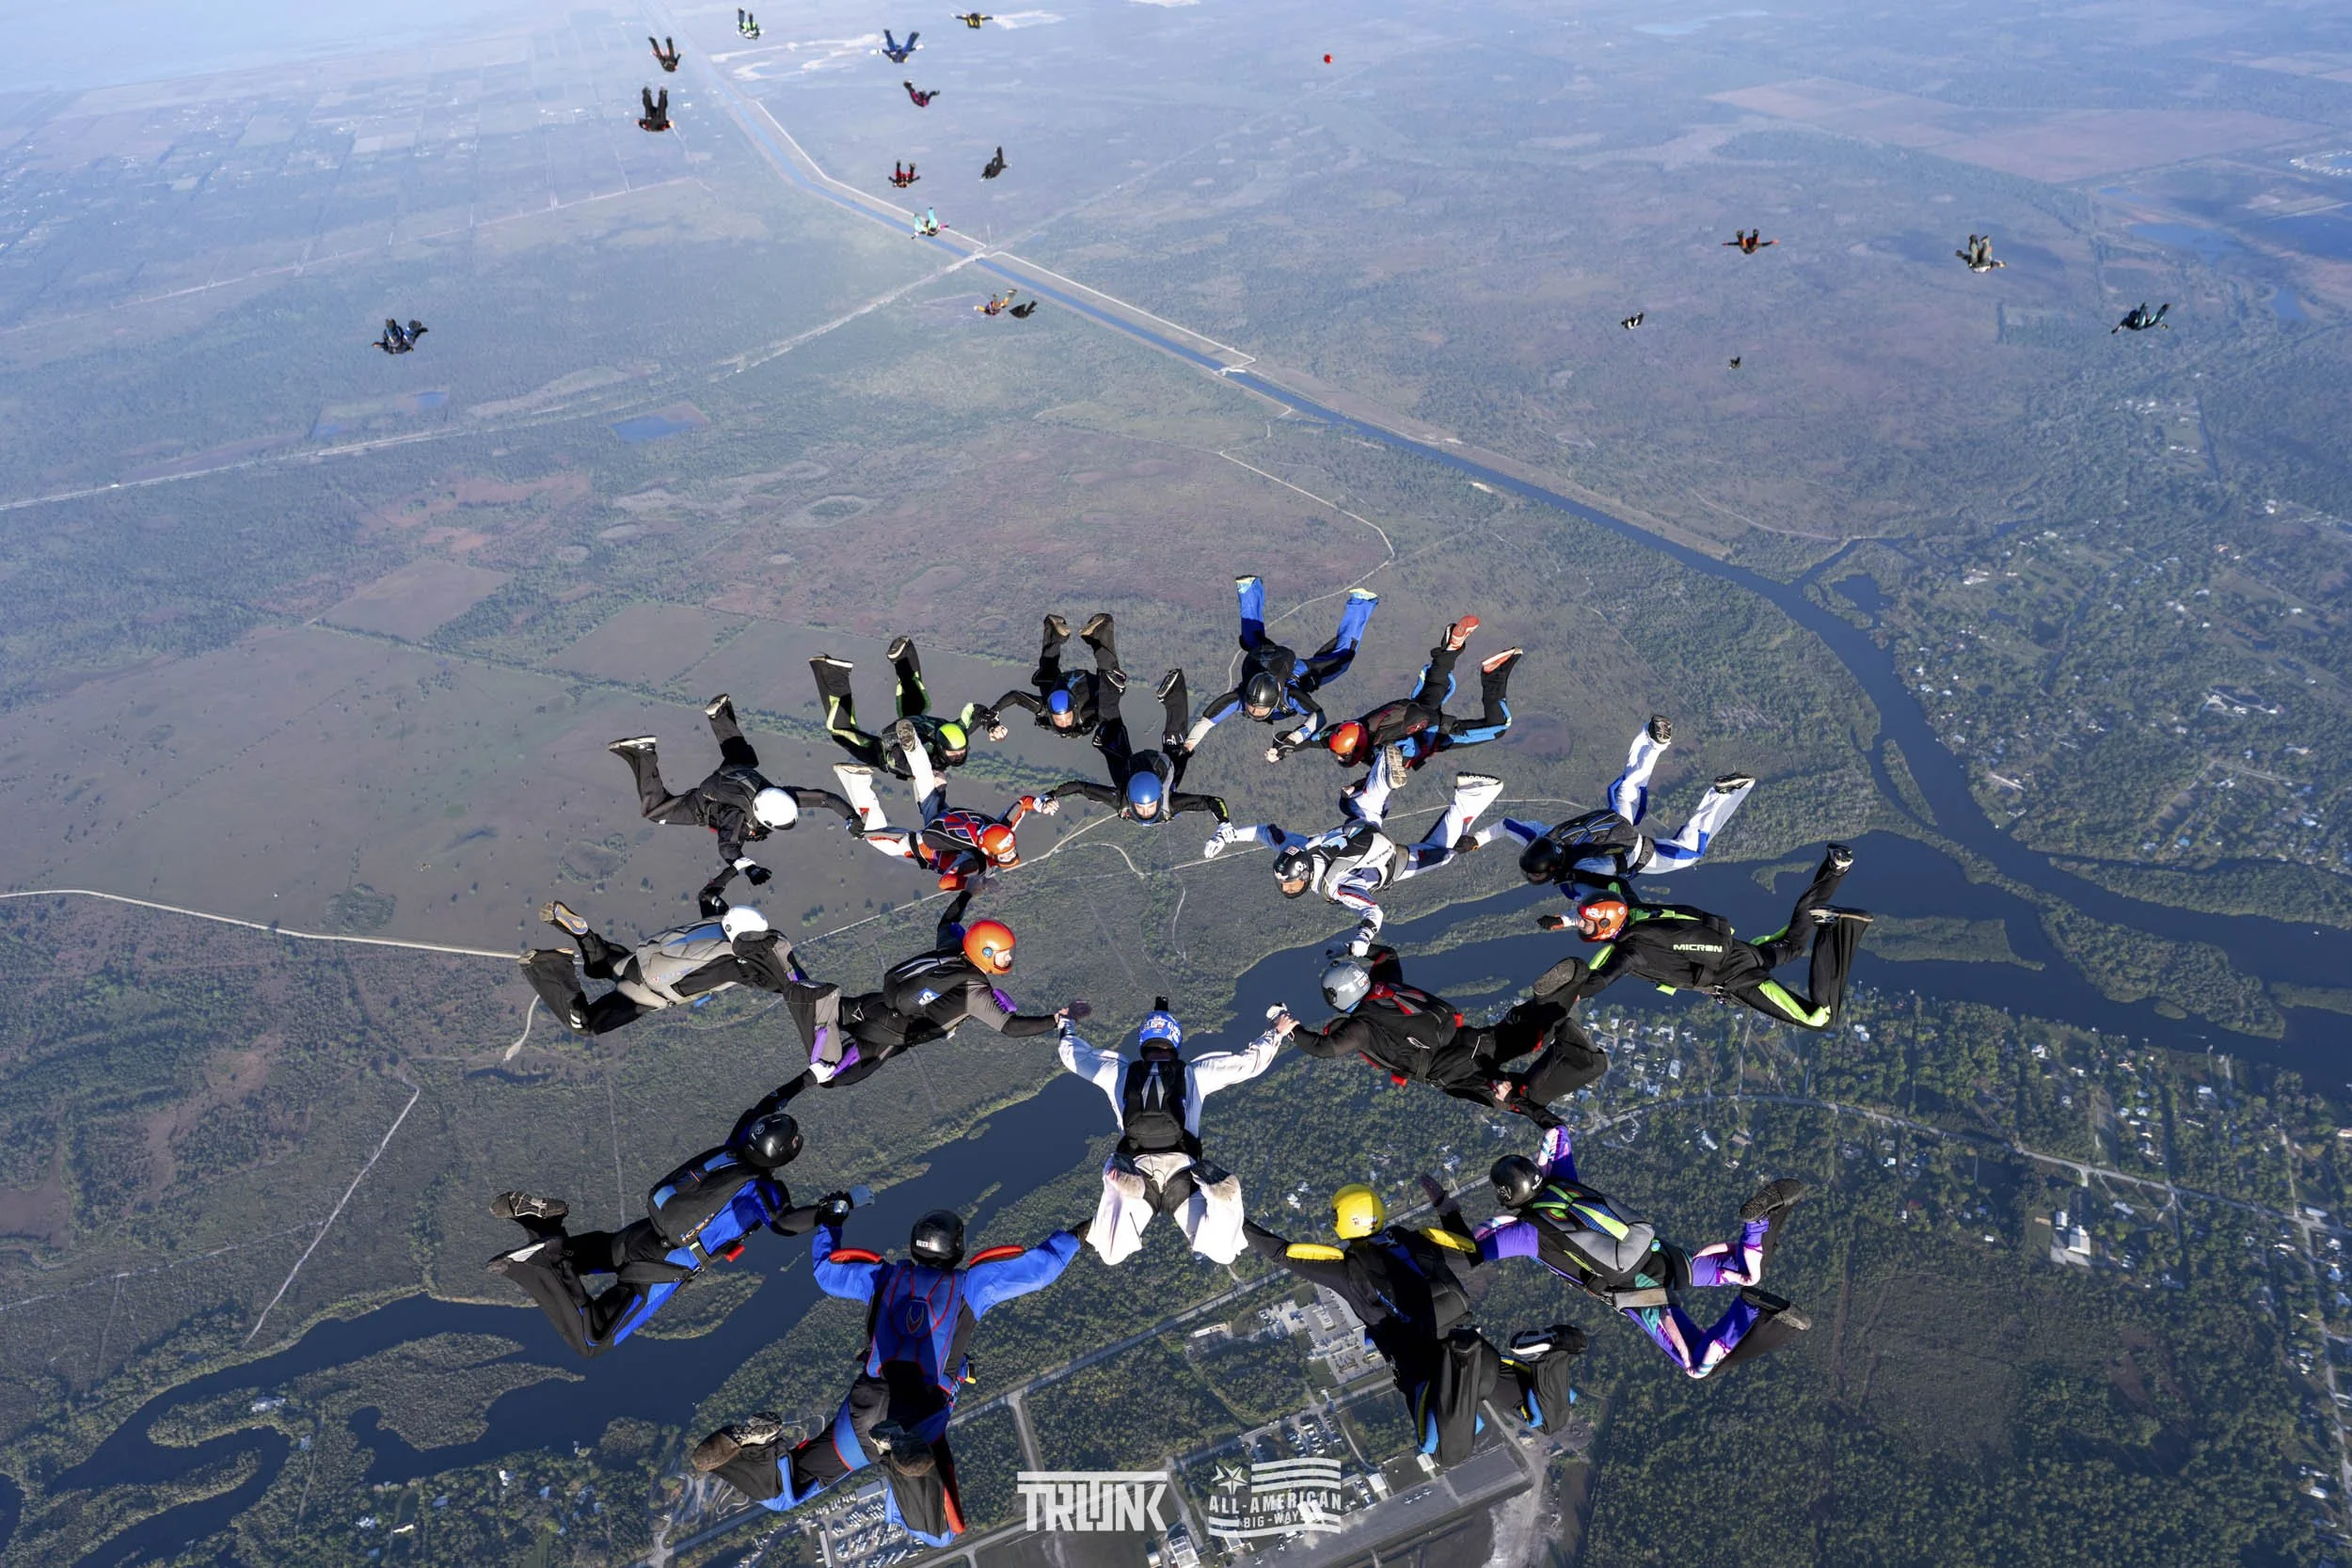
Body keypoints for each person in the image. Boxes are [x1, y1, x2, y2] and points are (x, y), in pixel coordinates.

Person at [691, 1208, 1082, 1545]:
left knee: (787, 1493)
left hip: (863, 1408)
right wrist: (1083, 1233)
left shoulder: (883, 1277)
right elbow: (1040, 1269)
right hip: (916, 1410)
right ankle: (900, 1452)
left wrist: (831, 1221)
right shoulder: (970, 1286)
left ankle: (741, 1447)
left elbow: (826, 1272)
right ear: (957, 1249)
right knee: (937, 1531)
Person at [484, 1087, 845, 1357]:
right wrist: (828, 1211)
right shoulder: (763, 1191)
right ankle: (539, 1258)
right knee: (593, 1339)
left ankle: (542, 1224)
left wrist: (807, 1079)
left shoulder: (734, 1150)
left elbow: (763, 1106)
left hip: (643, 1233)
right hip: (665, 1265)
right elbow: (784, 1223)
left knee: (586, 1258)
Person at [1244, 1185, 1587, 1466]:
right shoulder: (1419, 1239)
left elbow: (1283, 1252)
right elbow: (1470, 1251)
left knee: (1447, 1453)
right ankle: (1554, 1352)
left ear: (1341, 1221)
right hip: (1476, 1351)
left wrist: (1236, 1222)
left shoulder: (1348, 1268)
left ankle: (1462, 1360)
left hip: (1433, 1373)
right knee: (1549, 1418)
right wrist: (1446, 1207)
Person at [1479, 1127, 1811, 1377]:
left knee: (1697, 1364)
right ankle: (1760, 1223)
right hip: (1658, 1255)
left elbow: (1472, 1251)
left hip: (1634, 1292)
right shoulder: (1562, 1181)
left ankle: (1752, 1311)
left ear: (1507, 1195)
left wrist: (1447, 1212)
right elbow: (1558, 1134)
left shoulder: (1524, 1232)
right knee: (1745, 1270)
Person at [1532, 844, 1870, 1031]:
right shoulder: (1634, 911)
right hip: (1739, 954)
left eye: (1589, 925)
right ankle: (1836, 869)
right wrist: (1566, 885)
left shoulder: (1630, 950)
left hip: (1736, 978)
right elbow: (1616, 886)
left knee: (1820, 1019)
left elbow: (1600, 979)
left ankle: (1834, 927)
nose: (1584, 929)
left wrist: (1566, 994)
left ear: (1607, 923)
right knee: (1794, 944)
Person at [777, 888, 1079, 1086]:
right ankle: (818, 1009)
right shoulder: (975, 989)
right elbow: (1010, 1028)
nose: (1009, 958)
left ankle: (790, 974)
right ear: (985, 953)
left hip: (877, 1003)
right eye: (1004, 954)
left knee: (834, 1009)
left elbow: (946, 922)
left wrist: (969, 892)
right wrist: (1054, 1021)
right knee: (830, 1077)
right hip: (891, 1035)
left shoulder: (954, 948)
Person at [1058, 1000, 1281, 1264]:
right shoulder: (1192, 1074)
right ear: (1175, 1041)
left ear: (1143, 1040)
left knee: (1111, 1252)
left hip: (1138, 1168)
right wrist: (1276, 1032)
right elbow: (1250, 1063)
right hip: (1183, 1170)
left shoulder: (1119, 1073)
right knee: (1223, 1251)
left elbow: (1071, 1055)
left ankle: (1115, 1179)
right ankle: (1221, 1197)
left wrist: (1067, 1022)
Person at [1283, 944, 1608, 1125]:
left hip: (1448, 1069)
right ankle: (1566, 991)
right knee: (1526, 1035)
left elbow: (1325, 1048)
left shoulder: (1360, 1027)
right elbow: (1388, 956)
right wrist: (1356, 947)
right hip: (1467, 1039)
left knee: (1511, 1097)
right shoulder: (1385, 985)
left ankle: (1583, 1061)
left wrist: (1290, 1030)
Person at [1208, 773, 1504, 954]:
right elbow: (1264, 833)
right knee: (1365, 808)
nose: (1287, 888)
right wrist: (1230, 836)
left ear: (1305, 873)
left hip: (1389, 863)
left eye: (1290, 882)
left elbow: (1373, 910)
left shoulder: (1336, 886)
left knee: (1443, 854)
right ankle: (1379, 778)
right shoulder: (1297, 849)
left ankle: (1474, 794)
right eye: (1285, 883)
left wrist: (1363, 937)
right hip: (1360, 828)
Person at [608, 694, 859, 903]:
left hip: (737, 775)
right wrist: (750, 868)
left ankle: (719, 714)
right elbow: (728, 847)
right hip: (708, 798)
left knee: (746, 759)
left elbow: (825, 799)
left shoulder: (783, 797)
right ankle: (642, 752)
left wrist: (852, 818)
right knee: (656, 812)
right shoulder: (737, 817)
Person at [1500, 715, 1754, 895]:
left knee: (1690, 852)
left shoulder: (1576, 878)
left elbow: (1607, 887)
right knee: (1628, 790)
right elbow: (1506, 825)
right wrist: (1475, 841)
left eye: (1535, 875)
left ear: (1552, 868)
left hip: (1636, 851)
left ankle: (1722, 795)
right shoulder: (1544, 836)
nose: (1532, 877)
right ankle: (1654, 742)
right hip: (1615, 823)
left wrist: (1570, 908)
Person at [1276, 617, 1520, 784]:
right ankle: (1451, 646)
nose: (1340, 758)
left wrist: (1362, 785)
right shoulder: (1351, 729)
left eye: (1344, 755)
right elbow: (1316, 740)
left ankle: (1493, 675)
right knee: (1436, 680)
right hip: (1414, 707)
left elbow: (1397, 765)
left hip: (1433, 729)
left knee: (1498, 727)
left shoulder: (1382, 749)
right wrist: (1286, 747)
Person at [518, 898, 805, 1037]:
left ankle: (583, 934)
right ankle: (548, 965)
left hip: (640, 961)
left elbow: (709, 896)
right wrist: (798, 985)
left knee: (603, 965)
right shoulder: (733, 963)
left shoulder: (718, 921)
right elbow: (778, 984)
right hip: (646, 993)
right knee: (585, 1025)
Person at [1183, 576, 1378, 756]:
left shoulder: (1289, 696)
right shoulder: (1242, 697)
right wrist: (1188, 746)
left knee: (1342, 659)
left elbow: (1318, 716)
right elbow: (1206, 722)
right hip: (1262, 658)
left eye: (1257, 710)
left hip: (1297, 671)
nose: (1254, 713)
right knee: (1253, 640)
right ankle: (1248, 588)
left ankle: (1361, 602)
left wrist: (1294, 739)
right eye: (1253, 708)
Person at [833, 735, 1055, 891]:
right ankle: (858, 779)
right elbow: (945, 882)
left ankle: (914, 748)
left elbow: (1022, 803)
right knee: (871, 834)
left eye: (1007, 853)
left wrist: (1040, 805)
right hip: (918, 847)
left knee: (928, 784)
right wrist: (976, 885)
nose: (1009, 855)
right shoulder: (976, 862)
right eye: (1008, 853)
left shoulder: (1003, 828)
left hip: (941, 820)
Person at [1050, 668, 1228, 828]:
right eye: (1145, 807)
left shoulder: (1120, 800)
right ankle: (1174, 692)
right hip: (1159, 766)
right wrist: (1224, 822)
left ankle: (1109, 688)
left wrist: (1053, 794)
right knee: (1179, 748)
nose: (1145, 812)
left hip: (1134, 768)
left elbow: (1082, 788)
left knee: (1111, 732)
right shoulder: (1171, 804)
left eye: (1146, 807)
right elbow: (1212, 802)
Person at [810, 640, 985, 783]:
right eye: (957, 753)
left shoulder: (956, 733)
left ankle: (904, 656)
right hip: (884, 749)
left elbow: (975, 717)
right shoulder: (927, 762)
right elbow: (897, 761)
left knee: (915, 711)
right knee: (840, 731)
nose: (957, 756)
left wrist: (991, 720)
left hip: (912, 731)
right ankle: (832, 674)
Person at [974, 612, 1119, 743]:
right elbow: (1016, 697)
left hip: (1084, 684)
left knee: (1110, 689)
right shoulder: (1050, 709)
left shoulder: (1080, 711)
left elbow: (1016, 696)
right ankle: (1095, 632)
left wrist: (994, 712)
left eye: (1064, 718)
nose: (1064, 723)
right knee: (1111, 691)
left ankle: (1092, 633)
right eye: (1061, 719)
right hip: (1065, 686)